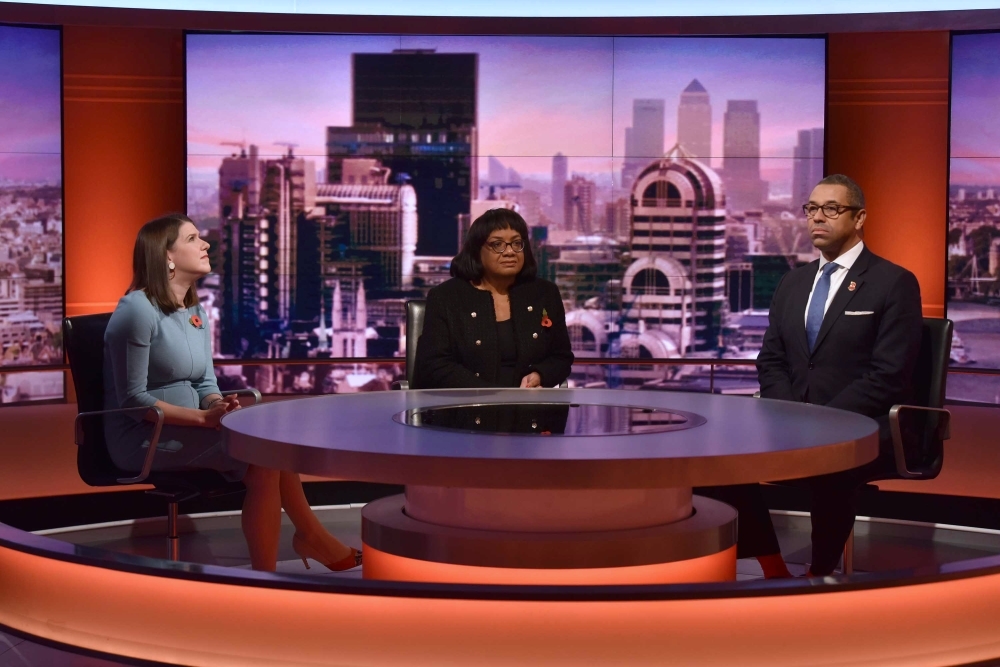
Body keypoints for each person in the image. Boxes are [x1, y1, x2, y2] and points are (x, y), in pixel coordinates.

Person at [104, 213, 361, 573]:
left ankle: (296, 549)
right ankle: (289, 557)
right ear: (167, 256)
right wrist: (203, 417)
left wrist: (218, 404)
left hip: (194, 427)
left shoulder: (194, 309)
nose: (206, 244)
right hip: (143, 436)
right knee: (266, 455)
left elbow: (205, 382)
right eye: (193, 239)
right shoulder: (136, 310)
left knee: (272, 447)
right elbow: (131, 400)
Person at [719, 174, 923, 578]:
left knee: (833, 464)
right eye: (812, 209)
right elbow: (770, 361)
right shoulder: (793, 283)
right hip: (796, 419)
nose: (818, 218)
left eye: (831, 209)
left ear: (859, 217)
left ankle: (821, 572)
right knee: (721, 460)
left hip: (865, 424)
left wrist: (823, 422)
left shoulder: (893, 283)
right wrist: (791, 414)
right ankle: (773, 567)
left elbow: (889, 375)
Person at [413, 208, 574, 390]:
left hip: (528, 407)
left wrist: (539, 375)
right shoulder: (446, 297)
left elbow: (561, 357)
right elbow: (435, 364)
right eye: (497, 245)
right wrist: (489, 395)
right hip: (465, 407)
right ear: (477, 251)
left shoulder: (545, 294)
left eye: (516, 243)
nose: (509, 252)